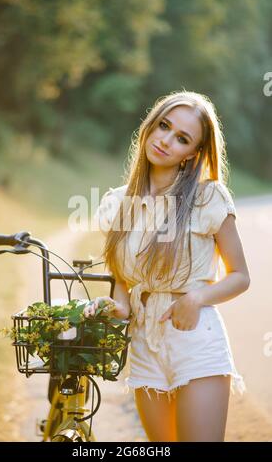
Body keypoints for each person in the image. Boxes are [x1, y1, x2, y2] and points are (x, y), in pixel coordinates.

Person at [85, 90, 250, 442]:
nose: (165, 140)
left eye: (182, 138)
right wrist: (115, 306)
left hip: (196, 341)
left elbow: (240, 276)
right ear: (150, 125)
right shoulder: (118, 203)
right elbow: (123, 284)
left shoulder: (208, 198)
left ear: (193, 154)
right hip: (145, 344)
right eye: (164, 126)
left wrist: (196, 299)